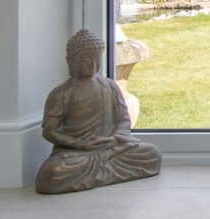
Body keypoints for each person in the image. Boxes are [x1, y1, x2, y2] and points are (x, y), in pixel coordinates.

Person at [36, 29, 161, 194]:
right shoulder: (61, 93)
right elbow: (50, 131)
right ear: (71, 61)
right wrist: (79, 143)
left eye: (97, 60)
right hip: (77, 153)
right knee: (52, 172)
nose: (93, 65)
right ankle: (101, 171)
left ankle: (96, 173)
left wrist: (116, 137)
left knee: (151, 154)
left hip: (111, 148)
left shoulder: (109, 86)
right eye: (86, 61)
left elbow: (122, 119)